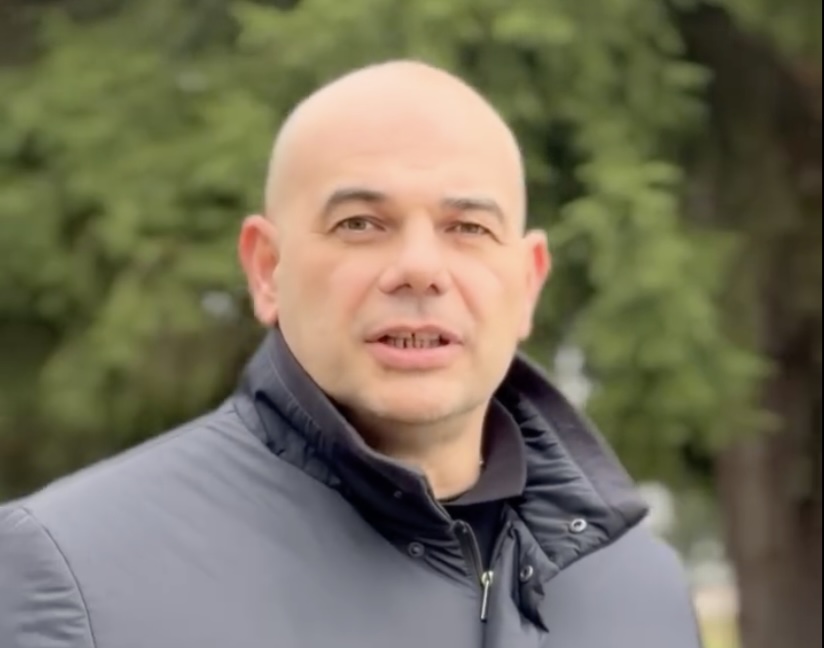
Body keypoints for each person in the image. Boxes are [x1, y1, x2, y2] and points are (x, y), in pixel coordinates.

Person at [0, 60, 704, 648]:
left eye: (467, 227)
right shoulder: (76, 574)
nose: (420, 269)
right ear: (267, 270)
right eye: (361, 223)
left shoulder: (641, 593)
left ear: (528, 283)